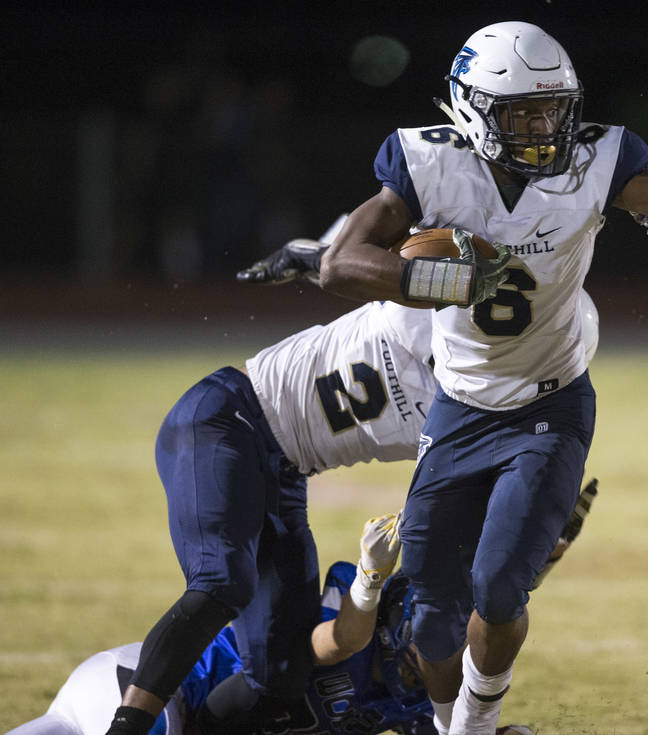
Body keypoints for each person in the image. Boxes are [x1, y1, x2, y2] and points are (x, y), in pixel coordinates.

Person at [304, 20, 648, 735]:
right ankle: (443, 724)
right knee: (430, 614)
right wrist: (440, 277)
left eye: (554, 109)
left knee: (496, 585)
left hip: (548, 403)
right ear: (472, 107)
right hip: (457, 407)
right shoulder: (429, 163)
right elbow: (341, 262)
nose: (544, 128)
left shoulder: (596, 159)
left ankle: (474, 726)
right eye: (524, 112)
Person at [103, 213, 603, 735]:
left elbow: (483, 546)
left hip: (288, 472)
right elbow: (377, 253)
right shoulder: (430, 309)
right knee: (221, 582)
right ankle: (128, 726)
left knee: (281, 676)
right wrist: (315, 255)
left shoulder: (488, 412)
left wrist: (540, 544)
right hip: (231, 417)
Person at [12, 487, 598, 735]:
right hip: (152, 692)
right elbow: (334, 642)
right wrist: (369, 581)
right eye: (435, 637)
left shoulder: (419, 701)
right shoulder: (356, 617)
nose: (440, 654)